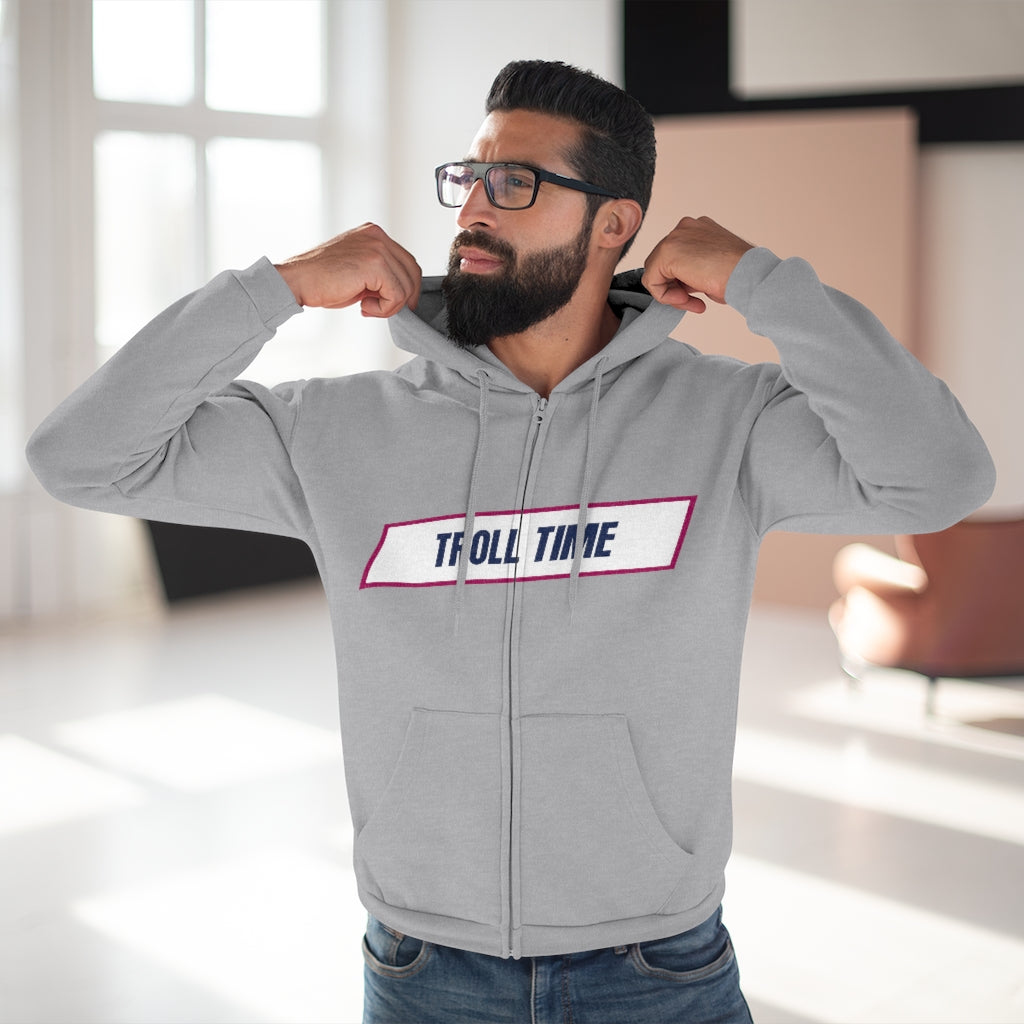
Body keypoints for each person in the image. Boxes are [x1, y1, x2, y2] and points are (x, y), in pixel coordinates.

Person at [27, 60, 994, 1024]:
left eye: (515, 183)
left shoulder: (726, 422)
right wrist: (274, 290)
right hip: (425, 969)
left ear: (613, 224)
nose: (473, 209)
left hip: (657, 967)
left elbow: (941, 476)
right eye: (470, 177)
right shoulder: (336, 430)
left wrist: (761, 283)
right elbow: (80, 458)